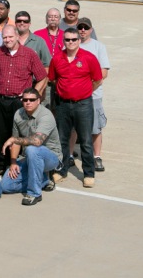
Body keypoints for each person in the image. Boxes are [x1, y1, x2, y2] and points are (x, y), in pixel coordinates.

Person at [0, 25, 48, 169]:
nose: (7, 40)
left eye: (10, 37)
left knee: (18, 133)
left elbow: (42, 76)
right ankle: (0, 164)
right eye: (5, 37)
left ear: (17, 36)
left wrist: (33, 94)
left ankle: (18, 162)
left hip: (18, 102)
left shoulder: (29, 54)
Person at [49, 28, 103, 188]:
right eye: (67, 40)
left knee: (86, 140)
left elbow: (98, 80)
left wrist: (84, 92)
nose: (70, 42)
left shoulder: (89, 58)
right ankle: (62, 170)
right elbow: (53, 79)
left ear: (79, 41)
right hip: (63, 104)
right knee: (62, 139)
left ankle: (88, 173)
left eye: (73, 39)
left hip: (83, 104)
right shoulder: (57, 58)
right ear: (63, 41)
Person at [1, 89, 62, 206]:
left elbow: (37, 141)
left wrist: (14, 139)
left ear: (38, 101)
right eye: (25, 100)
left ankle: (34, 193)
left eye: (32, 100)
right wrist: (13, 162)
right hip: (29, 157)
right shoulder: (18, 114)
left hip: (51, 157)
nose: (28, 102)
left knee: (32, 149)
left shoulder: (46, 115)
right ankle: (43, 180)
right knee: (6, 186)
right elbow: (16, 141)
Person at [77, 17, 110, 172]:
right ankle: (69, 156)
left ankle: (96, 157)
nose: (83, 30)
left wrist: (86, 89)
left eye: (86, 27)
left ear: (91, 30)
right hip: (74, 96)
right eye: (80, 27)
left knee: (95, 128)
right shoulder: (71, 46)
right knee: (72, 128)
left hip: (93, 95)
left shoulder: (98, 47)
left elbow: (103, 73)